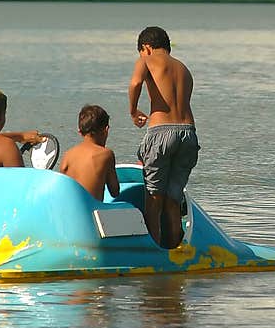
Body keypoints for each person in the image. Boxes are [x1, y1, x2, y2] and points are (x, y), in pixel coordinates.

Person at [128, 26, 199, 249]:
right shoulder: (183, 68)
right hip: (188, 133)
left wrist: (133, 111)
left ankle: (155, 251)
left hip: (161, 131)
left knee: (154, 199)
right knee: (173, 198)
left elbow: (135, 83)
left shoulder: (146, 60)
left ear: (146, 48)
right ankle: (174, 252)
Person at [58, 104, 121, 201]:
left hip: (67, 211)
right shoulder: (106, 154)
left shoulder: (68, 155)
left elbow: (62, 189)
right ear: (106, 130)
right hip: (90, 212)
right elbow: (114, 192)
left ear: (79, 131)